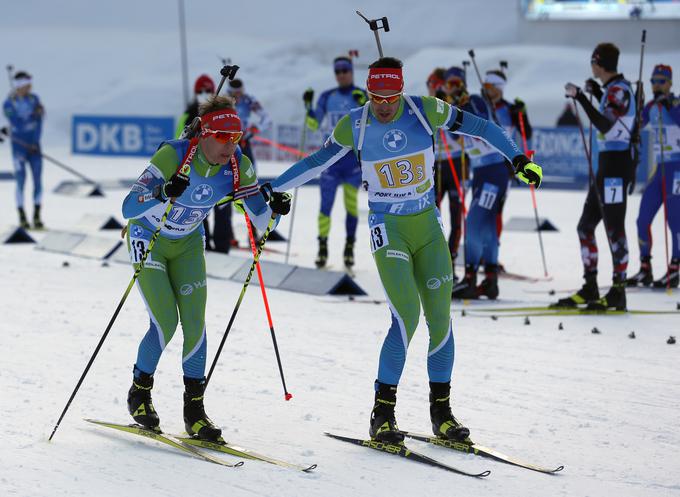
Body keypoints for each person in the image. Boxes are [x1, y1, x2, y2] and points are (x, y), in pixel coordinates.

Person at [266, 57, 541, 443]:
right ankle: (382, 414)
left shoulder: (424, 109)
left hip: (426, 225)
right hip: (387, 227)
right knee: (406, 315)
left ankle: (441, 414)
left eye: (390, 96)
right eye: (376, 96)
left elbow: (481, 127)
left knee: (440, 319)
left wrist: (517, 159)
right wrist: (274, 186)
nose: (383, 105)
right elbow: (316, 162)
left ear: (401, 90)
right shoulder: (355, 124)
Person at [121, 95, 291, 441]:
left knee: (196, 323)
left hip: (186, 244)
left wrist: (274, 205)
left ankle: (194, 411)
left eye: (236, 138)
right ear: (205, 134)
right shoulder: (175, 154)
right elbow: (127, 206)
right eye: (223, 138)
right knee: (165, 321)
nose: (230, 145)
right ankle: (140, 393)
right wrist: (163, 191)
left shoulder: (237, 165)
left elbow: (259, 217)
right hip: (149, 235)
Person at [556, 42, 636, 310]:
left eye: (593, 62)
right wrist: (595, 92)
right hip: (607, 165)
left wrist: (580, 96)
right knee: (585, 226)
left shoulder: (620, 89)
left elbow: (606, 123)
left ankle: (618, 289)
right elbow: (612, 114)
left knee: (614, 228)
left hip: (616, 165)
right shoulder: (613, 89)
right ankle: (591, 286)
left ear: (598, 63)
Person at [452, 69, 532, 299]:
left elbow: (481, 127)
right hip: (481, 174)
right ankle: (490, 280)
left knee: (474, 223)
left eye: (456, 86)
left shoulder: (477, 103)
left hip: (493, 173)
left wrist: (464, 106)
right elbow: (457, 137)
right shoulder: (472, 105)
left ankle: (470, 279)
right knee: (485, 227)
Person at [303, 56, 367, 270]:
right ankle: (322, 247)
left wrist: (364, 104)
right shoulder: (327, 96)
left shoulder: (360, 94)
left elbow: (373, 122)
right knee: (325, 207)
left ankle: (349, 248)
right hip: (331, 160)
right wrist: (308, 108)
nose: (341, 74)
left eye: (345, 70)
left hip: (351, 163)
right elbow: (313, 125)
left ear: (351, 71)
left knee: (351, 206)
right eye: (337, 71)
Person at [627, 64, 680, 288]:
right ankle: (645, 267)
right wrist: (636, 105)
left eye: (661, 81)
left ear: (670, 83)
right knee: (642, 220)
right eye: (653, 81)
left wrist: (669, 104)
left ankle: (675, 267)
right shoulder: (651, 106)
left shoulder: (676, 104)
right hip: (659, 169)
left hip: (677, 168)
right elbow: (635, 128)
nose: (656, 85)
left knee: (675, 221)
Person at [176, 74, 235, 253]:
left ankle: (223, 245)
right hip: (196, 168)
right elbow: (179, 141)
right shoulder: (189, 115)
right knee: (199, 207)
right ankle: (204, 244)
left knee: (223, 207)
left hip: (219, 167)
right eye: (200, 91)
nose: (204, 94)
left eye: (208, 91)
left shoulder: (222, 114)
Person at [3, 70, 44, 229]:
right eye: (26, 85)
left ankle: (37, 216)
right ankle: (22, 216)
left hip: (34, 147)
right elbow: (16, 123)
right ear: (19, 86)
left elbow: (39, 124)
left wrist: (35, 142)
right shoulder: (9, 103)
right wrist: (32, 117)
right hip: (19, 148)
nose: (29, 87)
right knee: (21, 180)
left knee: (37, 181)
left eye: (30, 84)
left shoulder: (35, 99)